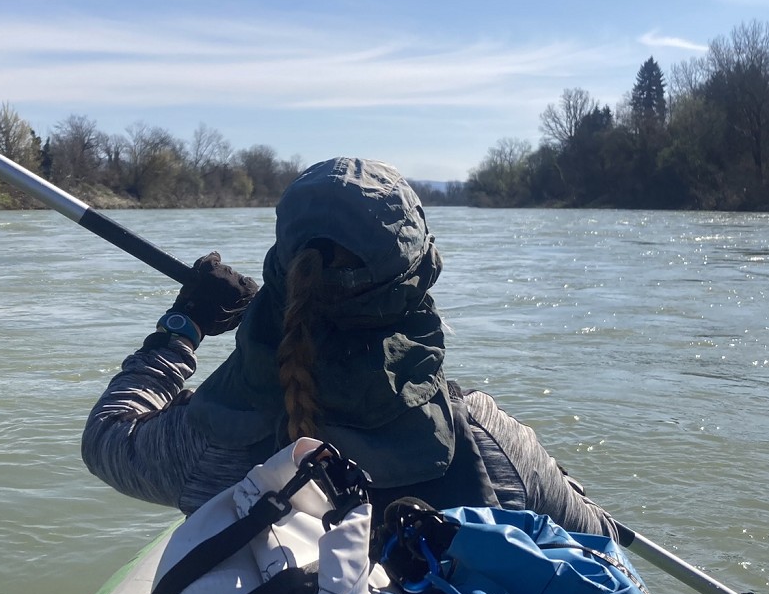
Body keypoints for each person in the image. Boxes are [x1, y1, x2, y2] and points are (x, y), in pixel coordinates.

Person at [82, 156, 616, 537]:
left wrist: (184, 325)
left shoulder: (208, 436)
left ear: (280, 269)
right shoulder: (486, 443)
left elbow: (108, 441)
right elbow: (599, 542)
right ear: (421, 276)